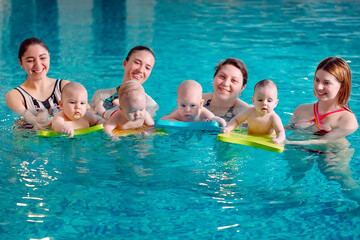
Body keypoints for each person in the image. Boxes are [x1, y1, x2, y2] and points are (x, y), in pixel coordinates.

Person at [285, 57, 358, 145]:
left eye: (326, 82)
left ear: (342, 87)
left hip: (330, 155)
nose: (319, 87)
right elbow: (286, 128)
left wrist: (287, 142)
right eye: (317, 80)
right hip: (295, 153)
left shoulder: (347, 119)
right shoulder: (301, 110)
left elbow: (324, 141)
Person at [5, 37, 70, 127]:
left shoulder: (64, 87)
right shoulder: (15, 96)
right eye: (30, 60)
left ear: (49, 57)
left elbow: (85, 112)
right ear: (21, 63)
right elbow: (35, 125)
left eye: (43, 58)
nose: (38, 65)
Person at [89, 46, 159, 118]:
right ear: (125, 64)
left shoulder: (150, 105)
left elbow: (148, 127)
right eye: (137, 63)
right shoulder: (101, 96)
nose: (141, 70)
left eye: (147, 68)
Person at [222, 79, 285, 144]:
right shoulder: (249, 112)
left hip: (266, 141)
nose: (264, 103)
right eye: (260, 100)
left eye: (269, 101)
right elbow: (236, 120)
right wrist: (228, 128)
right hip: (249, 137)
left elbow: (280, 131)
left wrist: (279, 139)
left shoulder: (273, 118)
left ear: (275, 103)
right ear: (253, 100)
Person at [161, 80, 227, 126]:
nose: (187, 110)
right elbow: (162, 120)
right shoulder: (178, 114)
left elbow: (222, 123)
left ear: (201, 104)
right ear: (178, 103)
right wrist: (178, 123)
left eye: (192, 105)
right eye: (183, 105)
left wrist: (212, 120)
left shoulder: (203, 114)